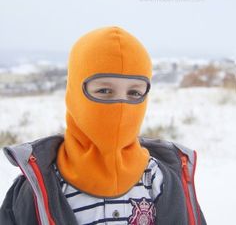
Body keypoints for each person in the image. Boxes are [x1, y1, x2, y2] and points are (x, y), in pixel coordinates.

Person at [0, 26, 207, 225]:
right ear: (74, 94)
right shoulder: (40, 187)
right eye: (104, 91)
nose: (121, 106)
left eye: (134, 93)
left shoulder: (160, 179)